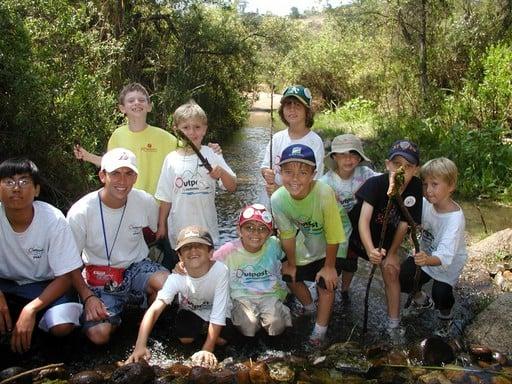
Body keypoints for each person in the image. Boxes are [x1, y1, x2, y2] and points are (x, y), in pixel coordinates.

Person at [67, 148, 169, 345]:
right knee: (99, 335)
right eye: (115, 173)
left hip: (135, 267)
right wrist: (87, 297)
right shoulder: (80, 212)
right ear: (102, 175)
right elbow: (69, 263)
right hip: (99, 276)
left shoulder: (145, 201)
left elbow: (161, 232)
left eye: (128, 173)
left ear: (136, 177)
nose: (122, 181)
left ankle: (145, 320)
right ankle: (116, 316)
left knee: (168, 284)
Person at [0, 158, 83, 353]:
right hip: (6, 284)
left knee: (61, 325)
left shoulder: (52, 219)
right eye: (9, 181)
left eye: (24, 181)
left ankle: (39, 339)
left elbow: (66, 276)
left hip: (45, 286)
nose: (16, 188)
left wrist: (31, 309)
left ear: (36, 190)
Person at [270, 144, 346, 346]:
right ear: (280, 173)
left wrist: (329, 267)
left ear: (314, 173)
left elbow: (333, 233)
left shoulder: (324, 192)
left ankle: (320, 330)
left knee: (326, 283)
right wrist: (292, 263)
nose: (295, 179)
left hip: (337, 238)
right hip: (309, 236)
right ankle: (310, 307)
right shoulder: (277, 199)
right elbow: (287, 234)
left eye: (303, 172)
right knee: (289, 275)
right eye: (288, 172)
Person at [346, 139, 423, 337]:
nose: (401, 170)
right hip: (358, 237)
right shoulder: (375, 184)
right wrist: (370, 249)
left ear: (416, 170)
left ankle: (393, 325)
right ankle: (343, 296)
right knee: (346, 267)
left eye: (408, 166)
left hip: (386, 239)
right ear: (388, 164)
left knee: (391, 271)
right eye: (397, 164)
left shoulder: (416, 187)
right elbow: (363, 220)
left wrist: (393, 253)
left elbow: (405, 224)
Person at [125, 226, 230, 369]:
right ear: (180, 256)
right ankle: (204, 331)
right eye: (187, 247)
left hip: (218, 312)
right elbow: (154, 310)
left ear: (210, 252)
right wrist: (140, 346)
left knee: (224, 340)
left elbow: (218, 312)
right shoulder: (176, 278)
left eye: (199, 246)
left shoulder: (220, 271)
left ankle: (209, 337)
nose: (193, 251)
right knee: (184, 338)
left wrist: (207, 348)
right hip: (192, 311)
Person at [399, 157, 467, 336]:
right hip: (425, 255)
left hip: (446, 262)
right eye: (425, 184)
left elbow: (444, 255)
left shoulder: (454, 220)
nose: (428, 190)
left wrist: (427, 259)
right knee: (403, 276)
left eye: (435, 184)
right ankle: (422, 300)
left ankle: (446, 317)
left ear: (451, 186)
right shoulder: (427, 203)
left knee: (441, 293)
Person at [155, 101, 237, 249]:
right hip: (179, 231)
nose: (192, 133)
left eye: (197, 127)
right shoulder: (170, 159)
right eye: (185, 128)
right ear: (176, 130)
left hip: (207, 231)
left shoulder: (212, 154)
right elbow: (165, 198)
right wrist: (162, 226)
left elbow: (232, 186)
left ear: (205, 129)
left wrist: (221, 173)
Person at [73, 82, 178, 196]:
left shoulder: (165, 137)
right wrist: (87, 156)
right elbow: (111, 164)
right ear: (122, 108)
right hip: (127, 203)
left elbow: (189, 155)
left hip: (158, 205)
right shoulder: (118, 135)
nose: (137, 103)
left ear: (149, 106)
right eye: (131, 100)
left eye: (141, 100)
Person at [213, 204, 291, 338]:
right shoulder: (229, 250)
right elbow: (208, 264)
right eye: (249, 228)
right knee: (249, 327)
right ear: (239, 230)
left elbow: (286, 258)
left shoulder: (273, 244)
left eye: (262, 229)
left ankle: (279, 314)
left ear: (269, 233)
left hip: (270, 295)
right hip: (242, 296)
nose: (256, 233)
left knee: (276, 327)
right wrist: (183, 267)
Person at [320, 133, 379, 304]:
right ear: (334, 157)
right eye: (343, 155)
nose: (348, 159)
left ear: (360, 158)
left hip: (357, 227)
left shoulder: (366, 174)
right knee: (333, 261)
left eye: (353, 154)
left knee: (351, 263)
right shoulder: (326, 182)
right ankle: (328, 288)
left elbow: (382, 181)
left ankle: (345, 290)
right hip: (335, 229)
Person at [261, 85, 324, 200]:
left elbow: (315, 182)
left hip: (303, 204)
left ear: (307, 111)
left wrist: (280, 191)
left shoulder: (315, 142)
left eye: (298, 105)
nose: (292, 109)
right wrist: (266, 173)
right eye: (288, 104)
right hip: (276, 204)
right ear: (282, 110)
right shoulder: (277, 138)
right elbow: (264, 167)